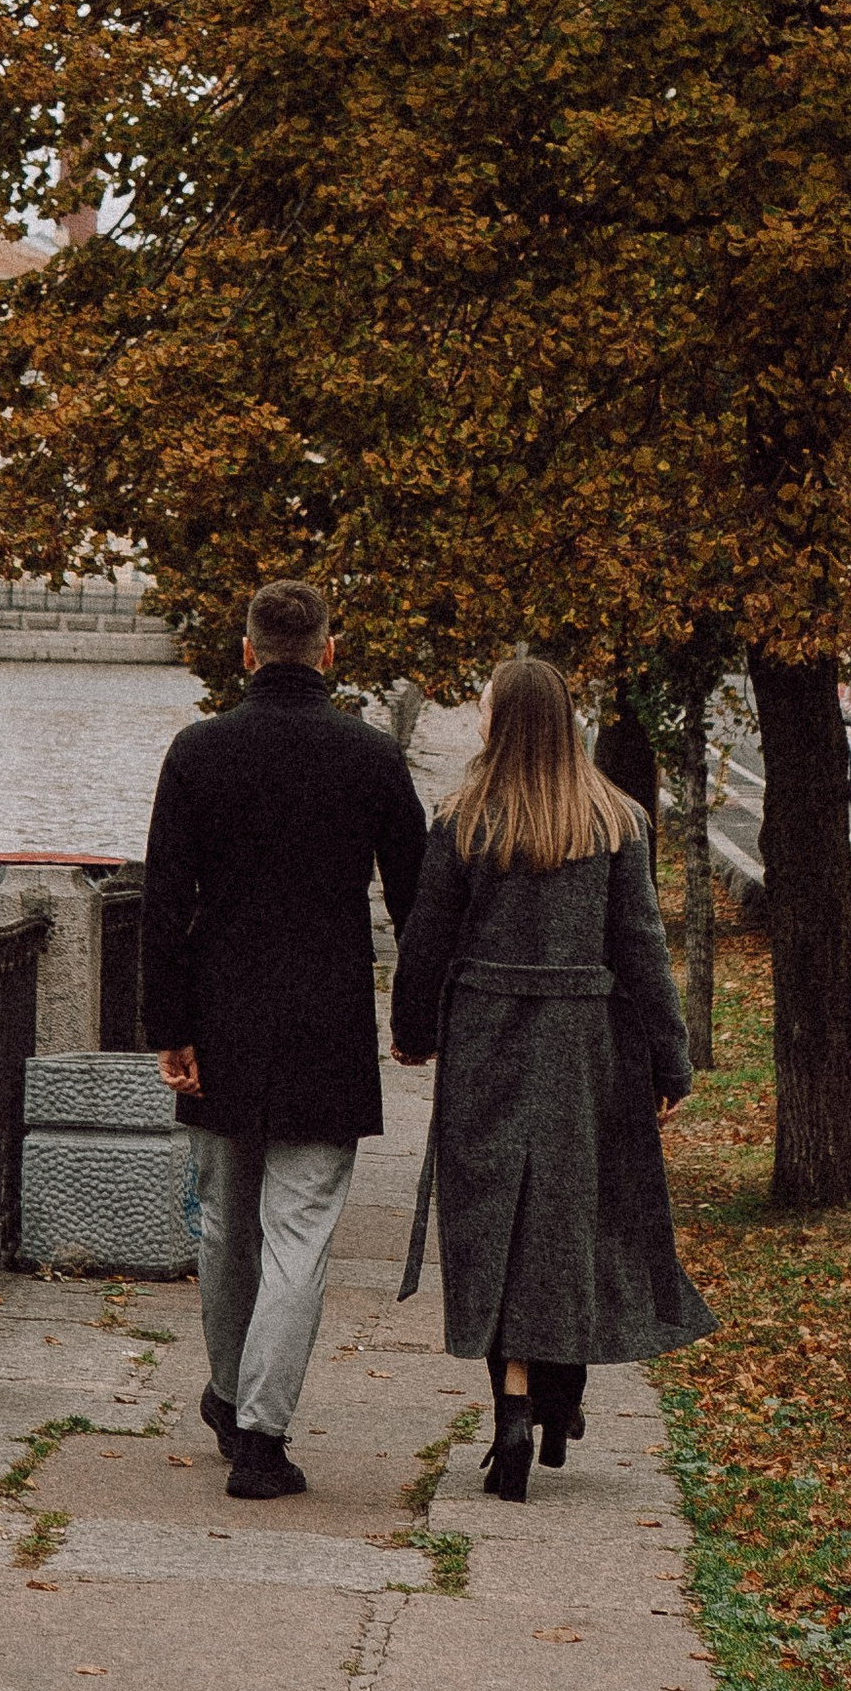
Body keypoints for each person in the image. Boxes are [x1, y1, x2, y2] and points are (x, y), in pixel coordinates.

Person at [390, 654, 713, 1501]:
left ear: (500, 723)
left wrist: (412, 1030)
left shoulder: (463, 821)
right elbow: (644, 955)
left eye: (484, 706)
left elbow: (426, 939)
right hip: (585, 1048)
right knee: (573, 1219)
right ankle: (561, 1392)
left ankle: (512, 1404)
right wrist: (669, 1059)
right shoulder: (615, 822)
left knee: (494, 1220)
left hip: (489, 1040)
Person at [141, 578, 429, 1501]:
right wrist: (415, 1021)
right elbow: (415, 902)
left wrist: (170, 1028)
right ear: (330, 654)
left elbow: (162, 902)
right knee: (299, 1229)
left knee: (226, 1222)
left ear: (246, 651)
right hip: (326, 1018)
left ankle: (229, 1396)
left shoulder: (198, 751)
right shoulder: (373, 757)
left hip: (222, 1016)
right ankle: (261, 1435)